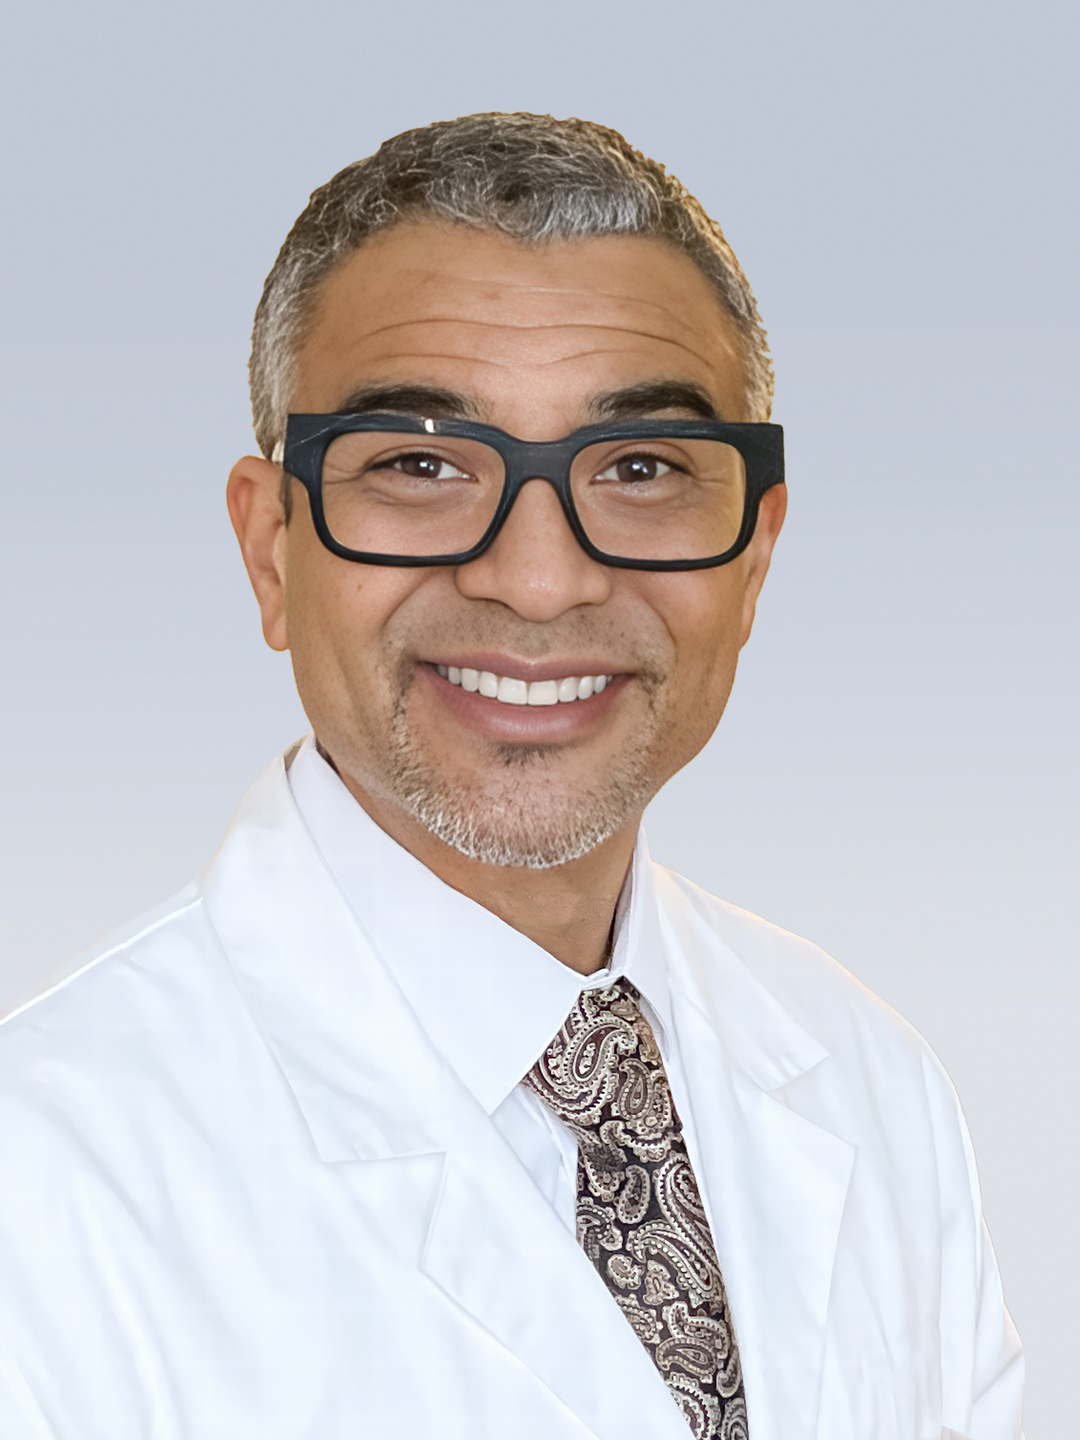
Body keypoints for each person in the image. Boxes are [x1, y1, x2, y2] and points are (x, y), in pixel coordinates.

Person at [0, 114, 1023, 1440]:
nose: (539, 580)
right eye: (420, 464)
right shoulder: (43, 1184)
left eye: (641, 468)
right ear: (270, 549)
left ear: (754, 555)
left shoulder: (876, 1086)